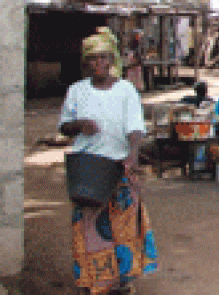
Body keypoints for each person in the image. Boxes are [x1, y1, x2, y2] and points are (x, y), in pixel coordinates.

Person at [58, 27, 158, 295]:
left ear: (111, 60)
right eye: (92, 59)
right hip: (88, 169)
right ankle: (93, 279)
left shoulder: (126, 90)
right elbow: (63, 127)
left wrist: (132, 154)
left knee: (123, 227)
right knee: (88, 225)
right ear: (85, 64)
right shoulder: (77, 91)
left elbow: (135, 128)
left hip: (119, 167)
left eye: (103, 57)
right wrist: (78, 124)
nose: (98, 64)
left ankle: (122, 281)